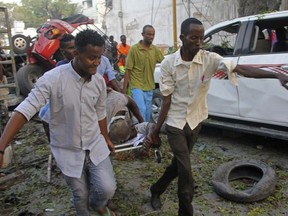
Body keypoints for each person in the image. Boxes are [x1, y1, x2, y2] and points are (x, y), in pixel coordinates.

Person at [147, 18, 288, 216]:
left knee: (178, 165)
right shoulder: (169, 64)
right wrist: (155, 130)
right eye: (193, 37)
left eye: (201, 38)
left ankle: (156, 189)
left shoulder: (209, 59)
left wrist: (275, 75)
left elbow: (241, 69)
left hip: (196, 121)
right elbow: (166, 102)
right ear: (182, 38)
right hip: (175, 124)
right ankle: (185, 211)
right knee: (186, 173)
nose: (198, 42)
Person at [0, 29, 117, 216]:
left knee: (107, 188)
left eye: (99, 58)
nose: (97, 63)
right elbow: (25, 109)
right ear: (76, 54)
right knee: (80, 194)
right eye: (92, 58)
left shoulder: (99, 82)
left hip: (94, 143)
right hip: (67, 147)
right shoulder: (53, 79)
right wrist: (2, 146)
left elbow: (100, 112)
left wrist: (106, 138)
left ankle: (97, 205)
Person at [123, 25, 164, 122]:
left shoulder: (154, 49)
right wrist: (124, 91)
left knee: (147, 113)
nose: (151, 37)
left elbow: (165, 63)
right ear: (142, 34)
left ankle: (144, 134)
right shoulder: (134, 49)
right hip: (136, 86)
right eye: (149, 34)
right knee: (141, 110)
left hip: (149, 86)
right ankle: (140, 133)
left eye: (153, 34)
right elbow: (128, 70)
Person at [106, 88, 160, 156]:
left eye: (126, 139)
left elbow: (151, 126)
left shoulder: (120, 99)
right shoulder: (102, 123)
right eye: (124, 141)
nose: (124, 142)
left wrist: (142, 122)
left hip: (117, 99)